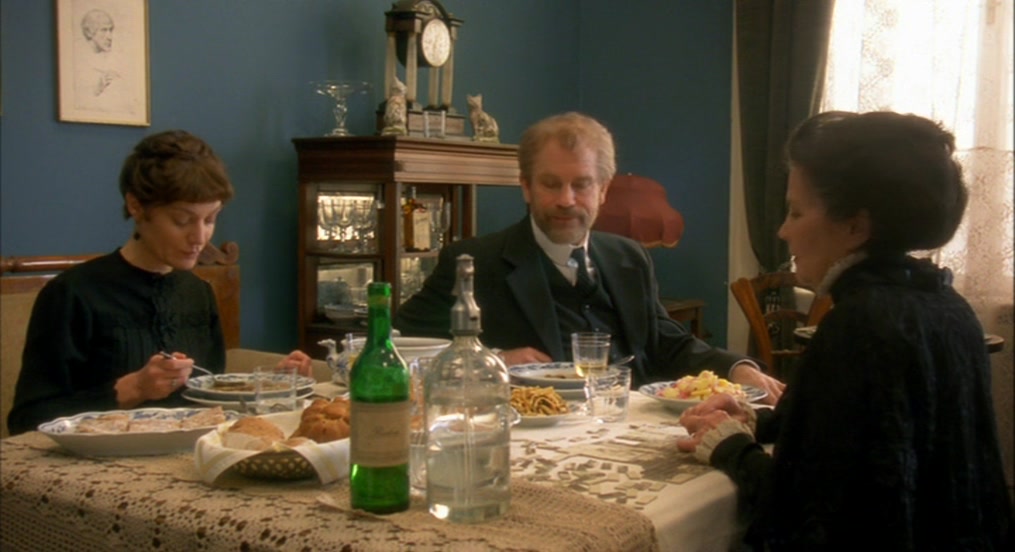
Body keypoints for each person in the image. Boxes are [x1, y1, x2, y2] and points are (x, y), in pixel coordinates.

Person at [677, 111, 1011, 550]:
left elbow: (810, 512)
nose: (783, 230)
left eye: (796, 212)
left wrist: (729, 447)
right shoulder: (945, 303)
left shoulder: (861, 323)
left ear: (855, 226)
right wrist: (758, 421)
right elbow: (865, 437)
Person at [394, 111, 782, 400]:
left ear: (604, 190)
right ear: (526, 186)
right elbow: (394, 344)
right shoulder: (474, 263)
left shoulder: (629, 257)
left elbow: (666, 342)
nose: (566, 200)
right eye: (551, 184)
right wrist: (493, 360)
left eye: (581, 184)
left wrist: (737, 368)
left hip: (635, 427)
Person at [7, 130, 312, 435]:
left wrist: (271, 386)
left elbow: (207, 401)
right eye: (182, 220)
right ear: (136, 206)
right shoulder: (74, 294)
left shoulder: (198, 293)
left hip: (189, 455)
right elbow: (27, 421)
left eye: (210, 219)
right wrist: (132, 389)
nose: (200, 237)